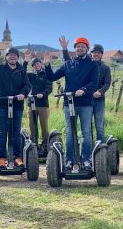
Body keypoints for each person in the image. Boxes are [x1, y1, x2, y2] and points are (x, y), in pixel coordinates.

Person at [44, 36, 99, 170]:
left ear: (86, 48)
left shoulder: (92, 63)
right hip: (70, 103)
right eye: (78, 46)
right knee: (70, 132)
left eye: (83, 46)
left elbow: (94, 82)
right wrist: (47, 65)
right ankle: (69, 160)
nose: (80, 48)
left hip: (85, 103)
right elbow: (52, 77)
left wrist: (83, 90)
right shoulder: (68, 64)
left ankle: (86, 159)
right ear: (74, 49)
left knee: (86, 132)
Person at [0, 38, 31, 167]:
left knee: (16, 131)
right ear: (7, 57)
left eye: (14, 55)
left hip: (17, 105)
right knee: (2, 131)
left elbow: (27, 85)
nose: (12, 57)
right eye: (10, 55)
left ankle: (17, 157)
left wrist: (23, 94)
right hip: (2, 104)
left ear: (17, 58)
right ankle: (2, 157)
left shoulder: (22, 71)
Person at [61, 39, 111, 143]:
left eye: (98, 53)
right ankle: (91, 149)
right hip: (86, 99)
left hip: (98, 100)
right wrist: (65, 49)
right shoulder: (87, 64)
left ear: (101, 54)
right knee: (88, 128)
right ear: (90, 53)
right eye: (94, 53)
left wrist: (100, 92)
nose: (96, 55)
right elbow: (68, 62)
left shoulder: (105, 68)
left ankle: (100, 150)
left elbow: (107, 83)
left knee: (99, 126)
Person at [23, 53, 53, 151]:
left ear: (41, 64)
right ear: (33, 67)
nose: (36, 65)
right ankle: (33, 144)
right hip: (31, 104)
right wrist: (25, 63)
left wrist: (43, 94)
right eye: (34, 64)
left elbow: (49, 88)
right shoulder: (30, 75)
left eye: (38, 64)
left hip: (43, 104)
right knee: (32, 125)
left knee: (44, 125)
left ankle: (46, 145)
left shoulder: (46, 75)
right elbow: (22, 74)